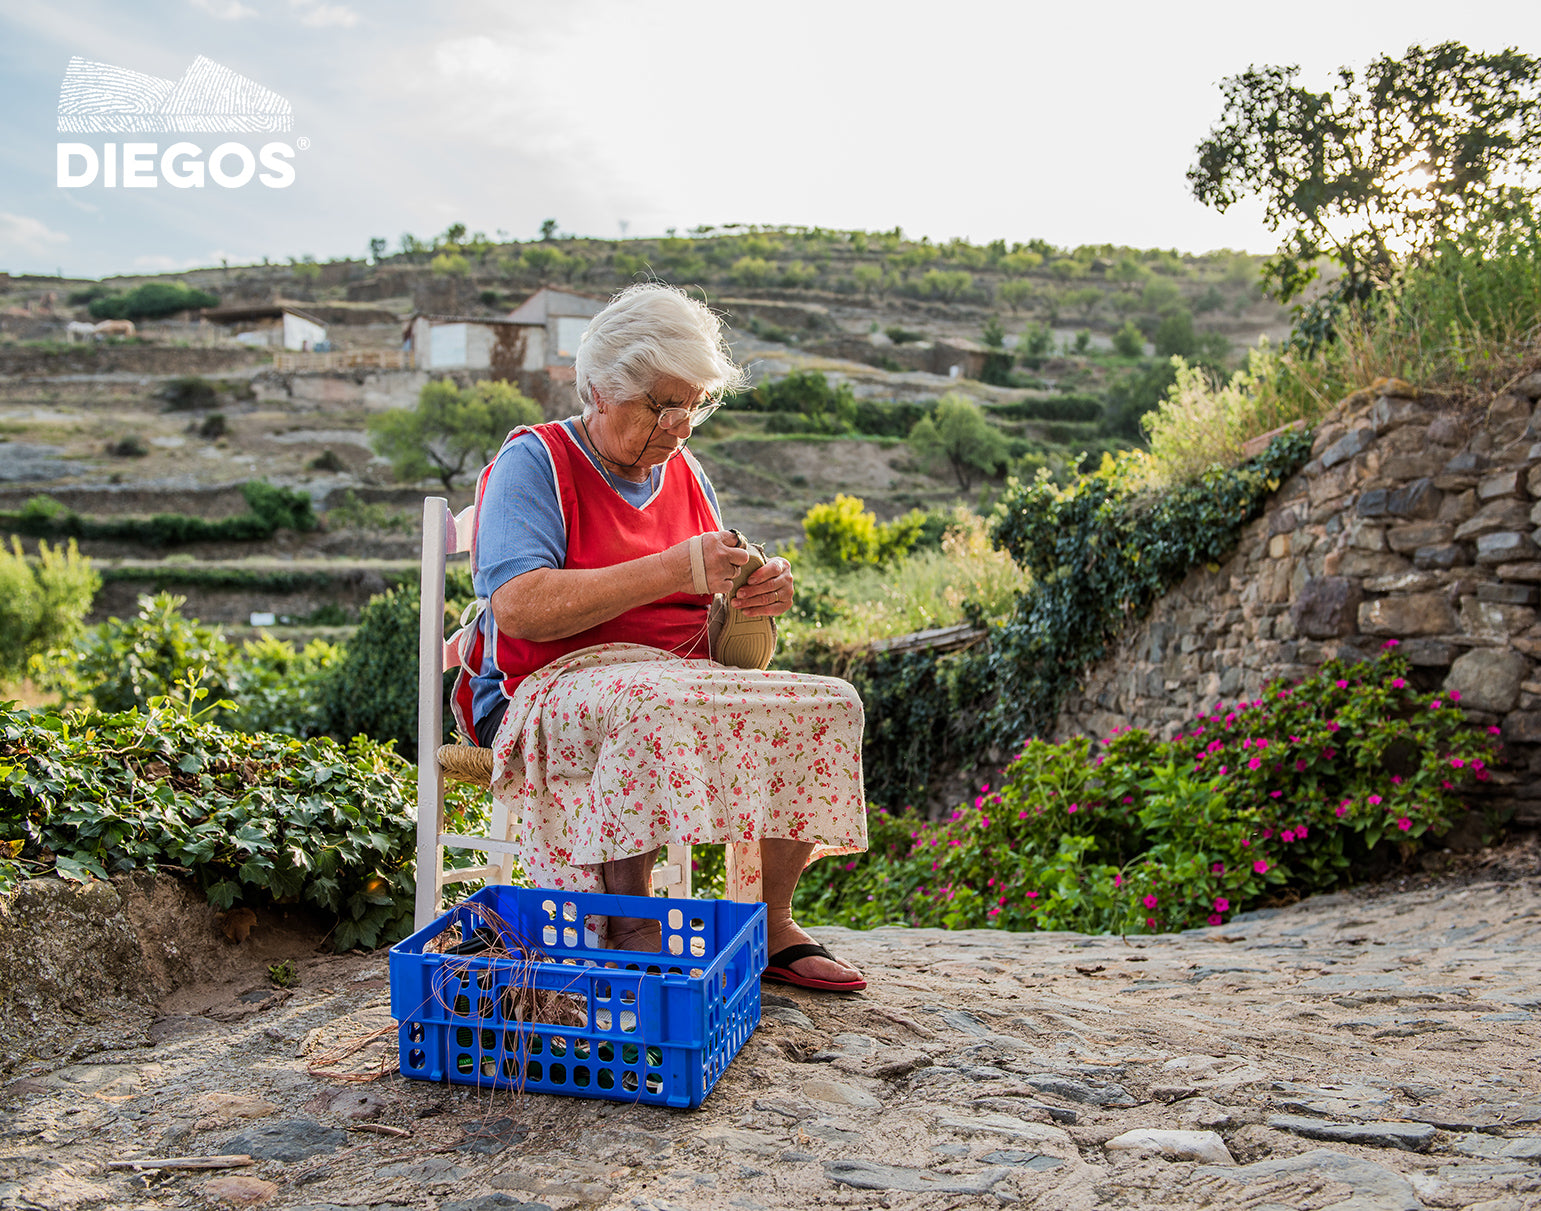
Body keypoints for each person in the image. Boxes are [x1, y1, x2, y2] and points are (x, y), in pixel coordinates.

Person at [465, 283, 868, 992]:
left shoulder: (685, 473)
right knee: (651, 700)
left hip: (675, 676)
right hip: (550, 686)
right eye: (661, 403)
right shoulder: (538, 461)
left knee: (830, 701)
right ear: (598, 389)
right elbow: (521, 608)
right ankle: (627, 916)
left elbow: (719, 649)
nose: (680, 425)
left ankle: (770, 918)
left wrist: (751, 603)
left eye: (695, 404)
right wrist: (675, 566)